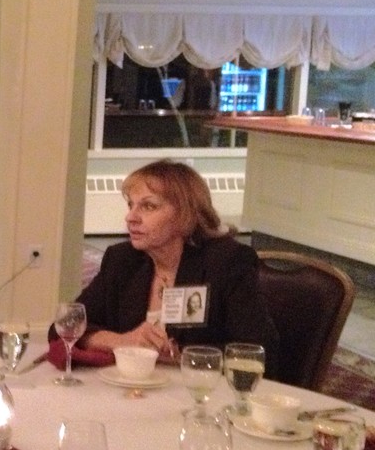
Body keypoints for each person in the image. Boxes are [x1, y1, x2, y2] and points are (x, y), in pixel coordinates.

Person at [54, 159, 279, 372]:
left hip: (199, 390)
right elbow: (64, 326)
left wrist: (181, 354)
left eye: (148, 206)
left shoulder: (226, 261)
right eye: (131, 205)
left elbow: (258, 350)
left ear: (185, 214)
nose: (131, 217)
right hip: (133, 388)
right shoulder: (123, 260)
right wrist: (122, 341)